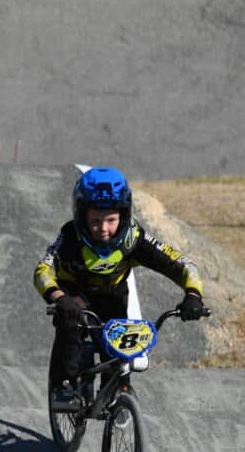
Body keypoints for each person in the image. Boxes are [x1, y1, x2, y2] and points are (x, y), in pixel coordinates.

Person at [34, 166, 207, 401]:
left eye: (111, 220)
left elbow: (182, 264)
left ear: (124, 215)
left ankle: (118, 397)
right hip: (74, 295)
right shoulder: (70, 237)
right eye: (95, 220)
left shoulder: (134, 239)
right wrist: (58, 297)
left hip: (113, 297)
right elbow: (42, 270)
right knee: (70, 326)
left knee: (117, 356)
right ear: (81, 215)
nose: (103, 229)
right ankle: (64, 385)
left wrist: (193, 295)